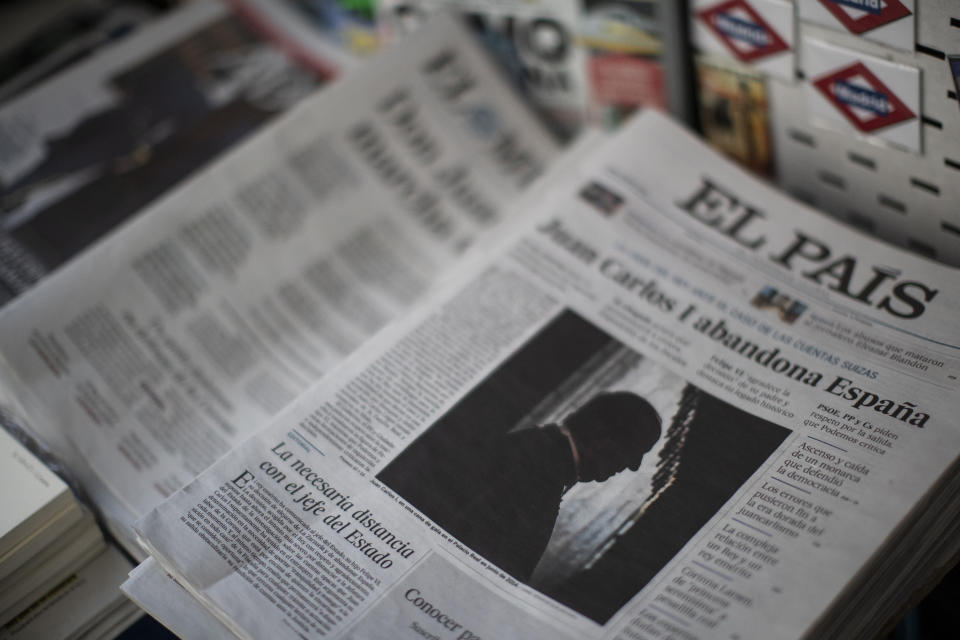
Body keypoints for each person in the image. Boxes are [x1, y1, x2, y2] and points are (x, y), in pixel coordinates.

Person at [433, 391, 661, 582]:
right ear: (603, 437)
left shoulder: (538, 450)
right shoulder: (539, 479)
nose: (632, 466)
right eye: (634, 450)